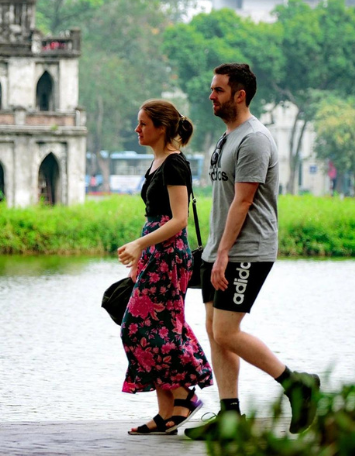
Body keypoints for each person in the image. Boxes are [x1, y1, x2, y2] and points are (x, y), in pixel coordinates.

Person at [186, 63, 320, 440]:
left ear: (239, 94)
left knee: (227, 332)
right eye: (211, 89)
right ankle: (230, 417)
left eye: (218, 90)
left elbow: (243, 202)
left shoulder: (255, 139)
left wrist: (225, 253)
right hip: (220, 249)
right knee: (215, 331)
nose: (210, 96)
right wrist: (213, 251)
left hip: (248, 249)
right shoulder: (227, 138)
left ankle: (297, 384)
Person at [117, 99, 213, 435]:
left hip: (169, 257)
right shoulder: (157, 161)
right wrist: (140, 258)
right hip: (155, 256)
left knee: (141, 327)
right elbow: (155, 217)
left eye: (143, 123)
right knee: (152, 329)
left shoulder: (175, 164)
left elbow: (179, 220)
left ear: (161, 127)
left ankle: (185, 397)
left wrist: (141, 245)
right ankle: (165, 412)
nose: (137, 129)